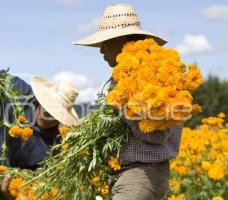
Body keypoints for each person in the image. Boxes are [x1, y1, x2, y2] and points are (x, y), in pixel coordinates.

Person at [74, 4, 183, 200]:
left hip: (142, 176)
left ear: (121, 39)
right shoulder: (130, 74)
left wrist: (121, 104)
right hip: (131, 175)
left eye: (105, 43)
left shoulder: (150, 75)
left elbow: (157, 136)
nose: (101, 51)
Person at [0, 58, 80, 170]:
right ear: (42, 100)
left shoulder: (53, 147)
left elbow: (33, 179)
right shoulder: (18, 91)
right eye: (48, 110)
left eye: (55, 116)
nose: (49, 118)